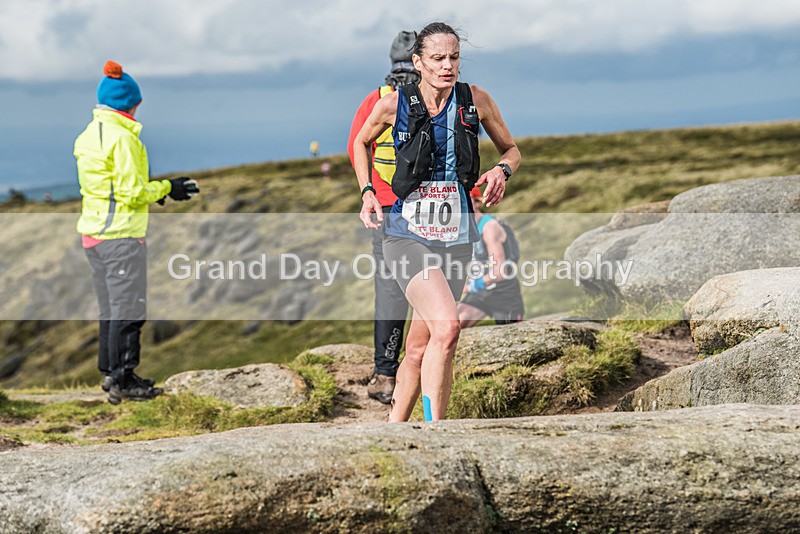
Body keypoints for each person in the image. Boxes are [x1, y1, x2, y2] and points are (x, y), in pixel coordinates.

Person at [353, 22, 521, 421]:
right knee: (447, 330)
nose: (447, 66)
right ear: (418, 62)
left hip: (457, 237)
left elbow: (512, 150)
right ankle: (437, 433)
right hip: (405, 234)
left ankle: (395, 429)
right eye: (437, 59)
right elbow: (360, 141)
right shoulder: (394, 104)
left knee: (419, 346)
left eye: (454, 58)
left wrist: (501, 171)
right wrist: (366, 192)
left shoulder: (476, 100)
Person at [74, 61, 199, 405]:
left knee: (110, 309)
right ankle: (125, 379)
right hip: (121, 237)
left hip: (94, 235)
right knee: (130, 309)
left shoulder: (88, 135)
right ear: (130, 103)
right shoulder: (123, 139)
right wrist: (166, 189)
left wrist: (153, 192)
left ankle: (110, 373)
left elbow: (110, 187)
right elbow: (130, 191)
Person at [347, 30, 420, 404]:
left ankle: (385, 374)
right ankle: (420, 367)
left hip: (388, 209)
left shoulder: (377, 100)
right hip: (431, 209)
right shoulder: (437, 98)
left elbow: (355, 145)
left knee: (390, 288)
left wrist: (367, 191)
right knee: (435, 284)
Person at [458, 187, 525, 327]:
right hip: (481, 293)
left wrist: (473, 285)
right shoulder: (463, 230)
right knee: (453, 325)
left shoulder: (489, 227)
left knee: (512, 340)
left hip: (504, 295)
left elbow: (500, 272)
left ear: (477, 202)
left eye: (465, 199)